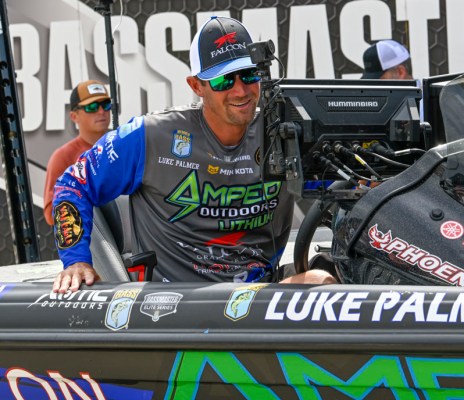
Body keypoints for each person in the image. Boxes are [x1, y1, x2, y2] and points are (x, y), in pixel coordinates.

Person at [52, 16, 336, 293]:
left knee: (326, 280)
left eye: (249, 75)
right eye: (224, 80)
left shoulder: (284, 131)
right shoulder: (150, 135)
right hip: (180, 304)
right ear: (196, 85)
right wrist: (76, 260)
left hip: (262, 293)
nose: (240, 90)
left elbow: (339, 187)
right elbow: (73, 184)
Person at [43, 80, 111, 225]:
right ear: (74, 116)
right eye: (92, 107)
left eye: (105, 105)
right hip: (91, 236)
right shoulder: (63, 156)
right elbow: (51, 214)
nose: (101, 111)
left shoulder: (122, 146)